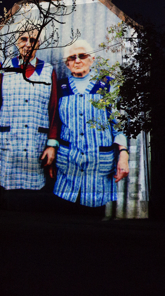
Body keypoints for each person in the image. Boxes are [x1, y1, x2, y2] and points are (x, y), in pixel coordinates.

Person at [53, 39, 129, 208]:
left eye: (82, 55)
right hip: (68, 166)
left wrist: (123, 154)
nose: (77, 60)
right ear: (67, 63)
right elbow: (54, 124)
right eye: (72, 57)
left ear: (92, 59)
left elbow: (119, 125)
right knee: (65, 215)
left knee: (95, 219)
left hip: (99, 166)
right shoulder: (60, 87)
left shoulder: (107, 85)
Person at [0, 28, 60, 191]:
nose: (27, 44)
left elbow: (54, 110)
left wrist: (51, 144)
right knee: (9, 194)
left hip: (36, 144)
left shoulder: (48, 70)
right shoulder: (4, 67)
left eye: (32, 41)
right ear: (17, 42)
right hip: (8, 143)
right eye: (23, 39)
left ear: (39, 44)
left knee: (33, 194)